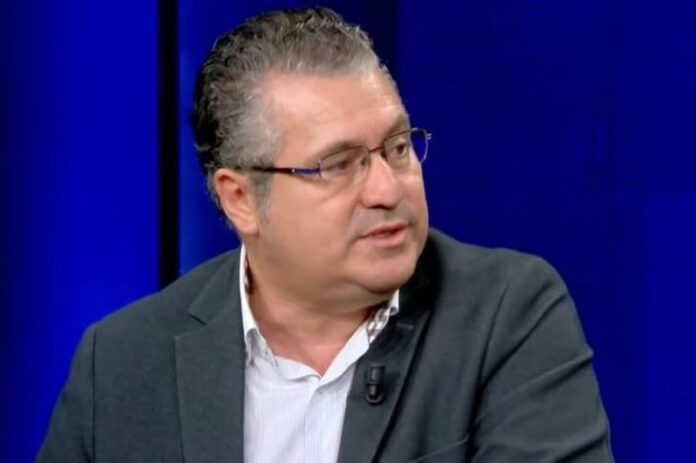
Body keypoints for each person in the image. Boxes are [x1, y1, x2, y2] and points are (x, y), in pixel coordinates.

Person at [37, 7, 613, 463]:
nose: (386, 188)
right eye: (339, 165)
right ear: (241, 200)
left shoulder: (507, 315)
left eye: (397, 147)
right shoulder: (122, 362)